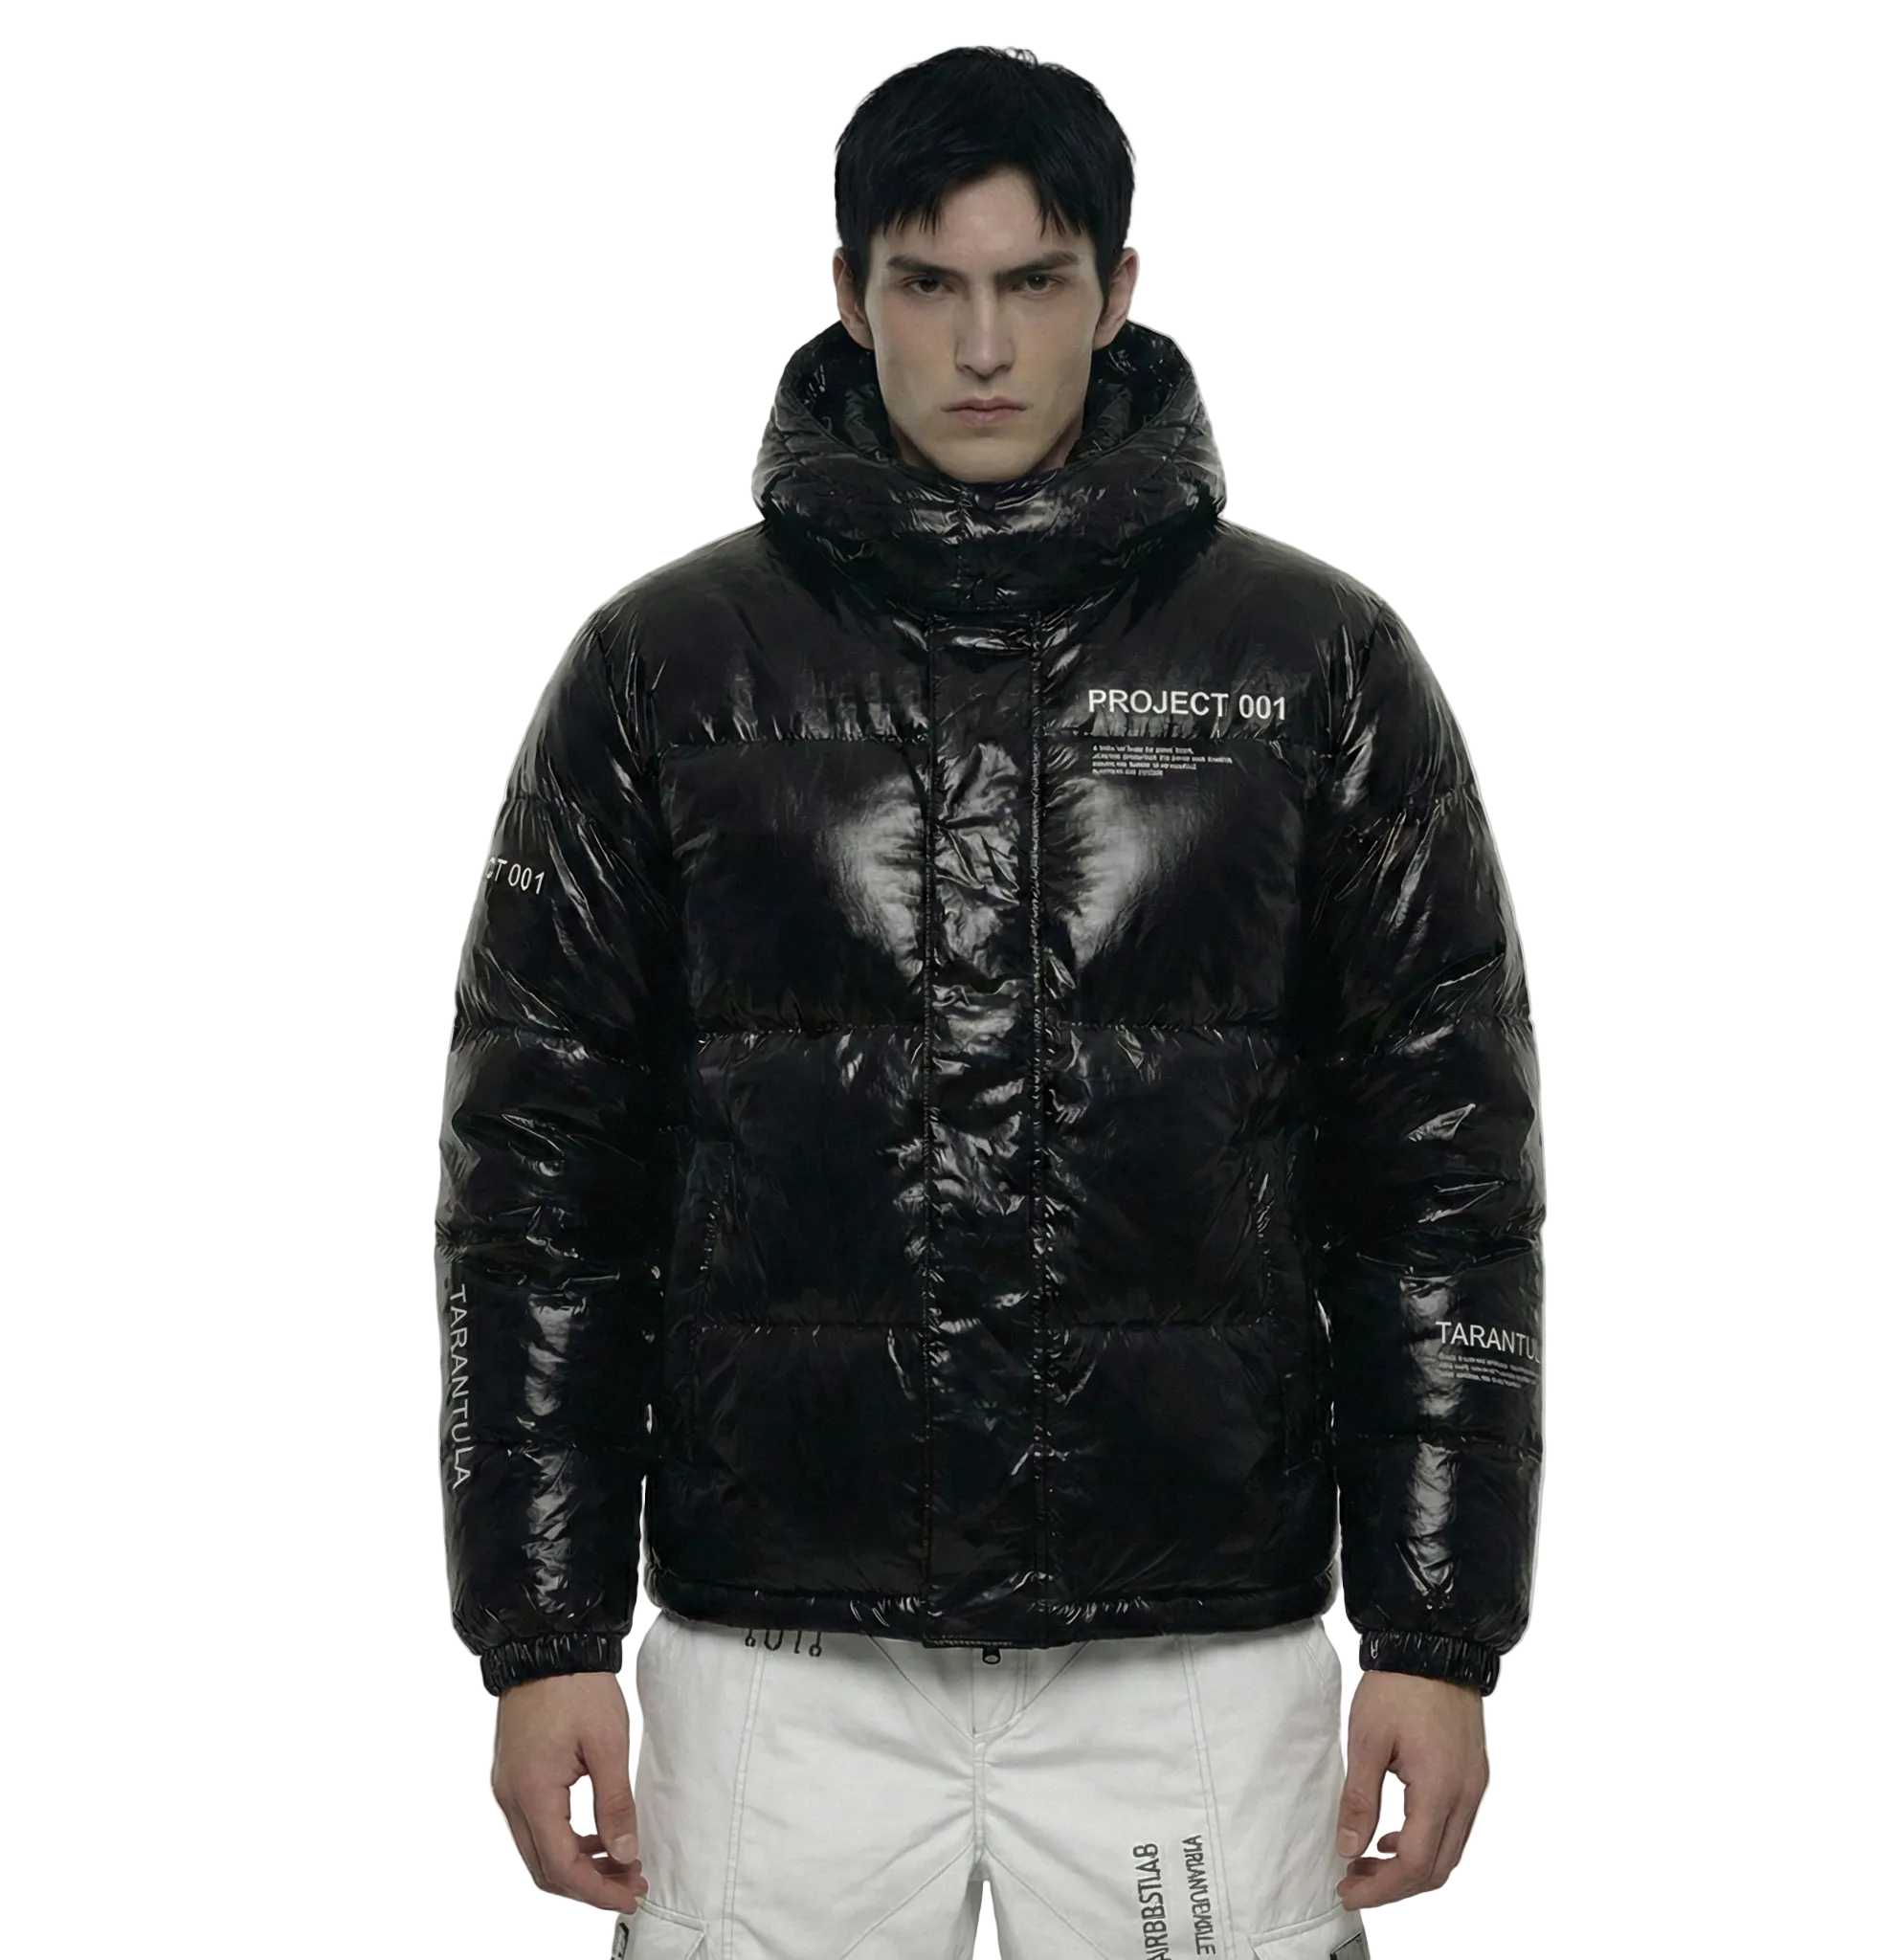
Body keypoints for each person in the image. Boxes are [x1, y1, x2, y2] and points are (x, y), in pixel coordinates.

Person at [435, 43, 1546, 1960]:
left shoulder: (1317, 662)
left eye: (1033, 282)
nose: (978, 346)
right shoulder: (661, 667)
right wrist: (542, 1636)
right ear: (847, 290)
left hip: (1196, 1656)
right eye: (927, 282)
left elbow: (1446, 1178)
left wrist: (1439, 1635)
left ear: (1118, 292)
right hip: (773, 1657)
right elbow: (534, 1184)